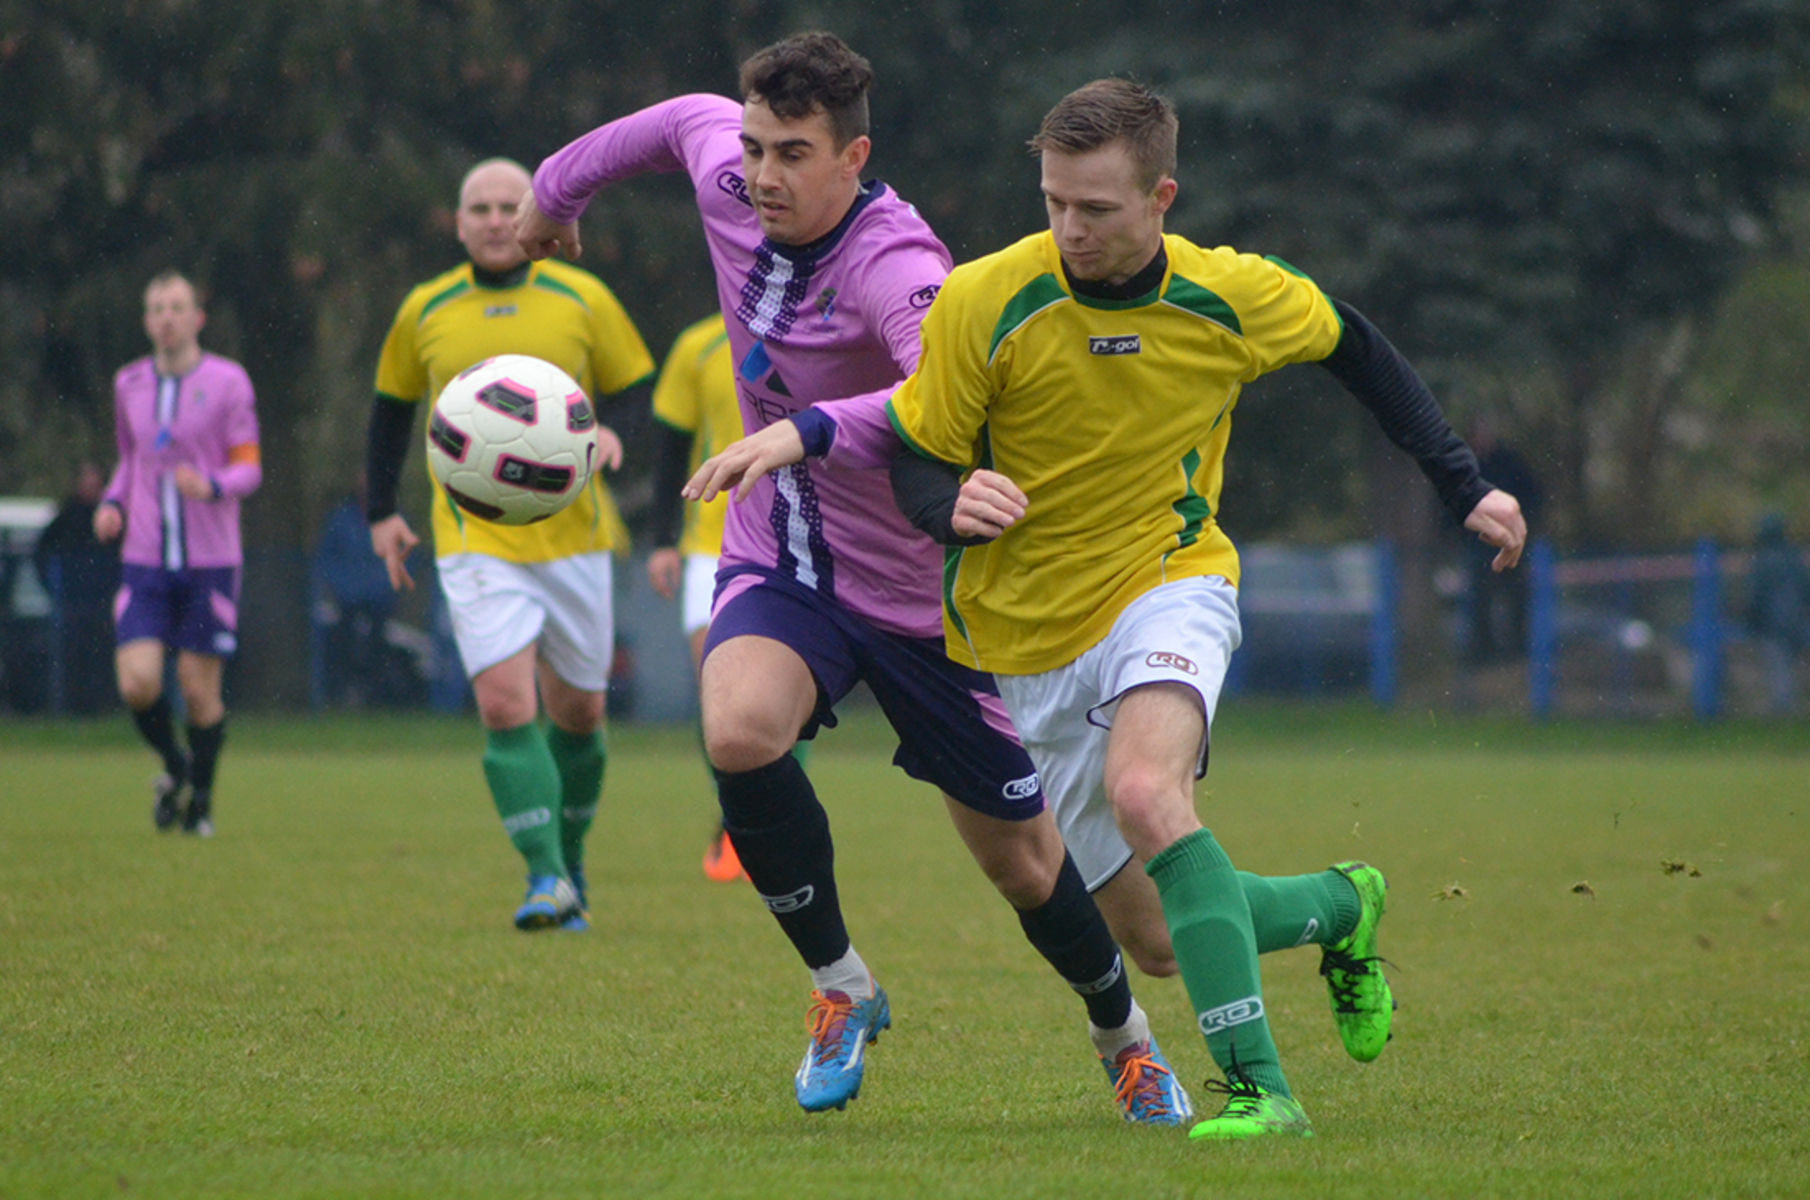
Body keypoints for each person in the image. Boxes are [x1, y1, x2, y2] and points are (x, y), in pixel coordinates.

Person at [690, 79, 1527, 1140]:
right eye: (1053, 204)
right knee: (1158, 939)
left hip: (1170, 580)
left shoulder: (1232, 295)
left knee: (1145, 789)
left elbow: (1355, 347)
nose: (1068, 230)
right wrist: (954, 507)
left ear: (1160, 197)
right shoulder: (986, 299)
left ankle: (1258, 1090)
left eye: (1094, 209)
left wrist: (1465, 484)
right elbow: (915, 452)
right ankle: (1341, 905)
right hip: (1030, 637)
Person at [518, 33, 1191, 1123]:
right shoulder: (723, 161)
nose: (764, 175)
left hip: (932, 595)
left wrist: (804, 431)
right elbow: (663, 124)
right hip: (786, 554)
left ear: (853, 156)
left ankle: (1125, 1040)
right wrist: (553, 199)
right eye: (755, 149)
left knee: (1022, 865)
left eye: (793, 153)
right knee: (737, 730)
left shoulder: (901, 267)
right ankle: (840, 988)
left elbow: (937, 397)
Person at [366, 157, 654, 932]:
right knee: (502, 705)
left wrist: (620, 432)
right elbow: (392, 410)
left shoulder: (583, 297)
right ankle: (544, 879)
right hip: (472, 539)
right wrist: (378, 511)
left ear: (533, 213)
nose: (495, 219)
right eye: (479, 207)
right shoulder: (425, 309)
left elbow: (635, 388)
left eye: (507, 205)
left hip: (576, 540)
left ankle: (571, 856)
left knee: (582, 714)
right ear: (457, 223)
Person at [95, 271, 262, 837]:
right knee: (137, 682)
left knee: (197, 689)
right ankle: (175, 765)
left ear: (198, 317)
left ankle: (202, 805)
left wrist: (213, 485)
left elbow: (249, 466)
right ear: (147, 322)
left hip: (210, 561)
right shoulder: (129, 384)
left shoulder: (228, 382)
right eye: (156, 308)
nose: (166, 317)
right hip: (143, 558)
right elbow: (129, 458)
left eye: (176, 307)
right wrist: (113, 502)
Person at [644, 312, 774, 883]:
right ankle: (737, 819)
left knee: (780, 702)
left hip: (794, 540)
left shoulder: (819, 328)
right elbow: (671, 446)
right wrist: (659, 540)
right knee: (719, 692)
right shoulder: (696, 345)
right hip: (710, 543)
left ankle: (775, 821)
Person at [33, 461, 120, 714]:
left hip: (104, 603)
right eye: (86, 480)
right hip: (72, 604)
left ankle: (104, 708)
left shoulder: (111, 517)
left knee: (103, 656)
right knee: (73, 657)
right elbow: (41, 552)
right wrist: (52, 588)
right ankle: (71, 709)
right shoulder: (66, 517)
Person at [313, 474, 400, 707]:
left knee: (378, 649)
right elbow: (327, 558)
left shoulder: (391, 519)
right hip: (347, 600)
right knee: (343, 647)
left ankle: (377, 698)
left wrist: (387, 586)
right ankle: (342, 696)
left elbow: (403, 556)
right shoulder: (342, 518)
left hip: (380, 601)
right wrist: (343, 587)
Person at [1462, 420, 1543, 663]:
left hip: (1510, 541)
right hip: (1479, 545)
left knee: (1517, 595)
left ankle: (1518, 650)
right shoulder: (1469, 466)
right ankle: (1483, 653)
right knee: (1480, 599)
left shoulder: (1508, 463)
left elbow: (1531, 495)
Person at [1745, 512, 1809, 714]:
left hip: (1772, 624)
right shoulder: (1793, 557)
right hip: (1798, 622)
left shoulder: (1762, 560)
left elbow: (1755, 595)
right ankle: (1792, 708)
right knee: (1794, 667)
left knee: (1778, 668)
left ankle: (1783, 709)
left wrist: (1752, 620)